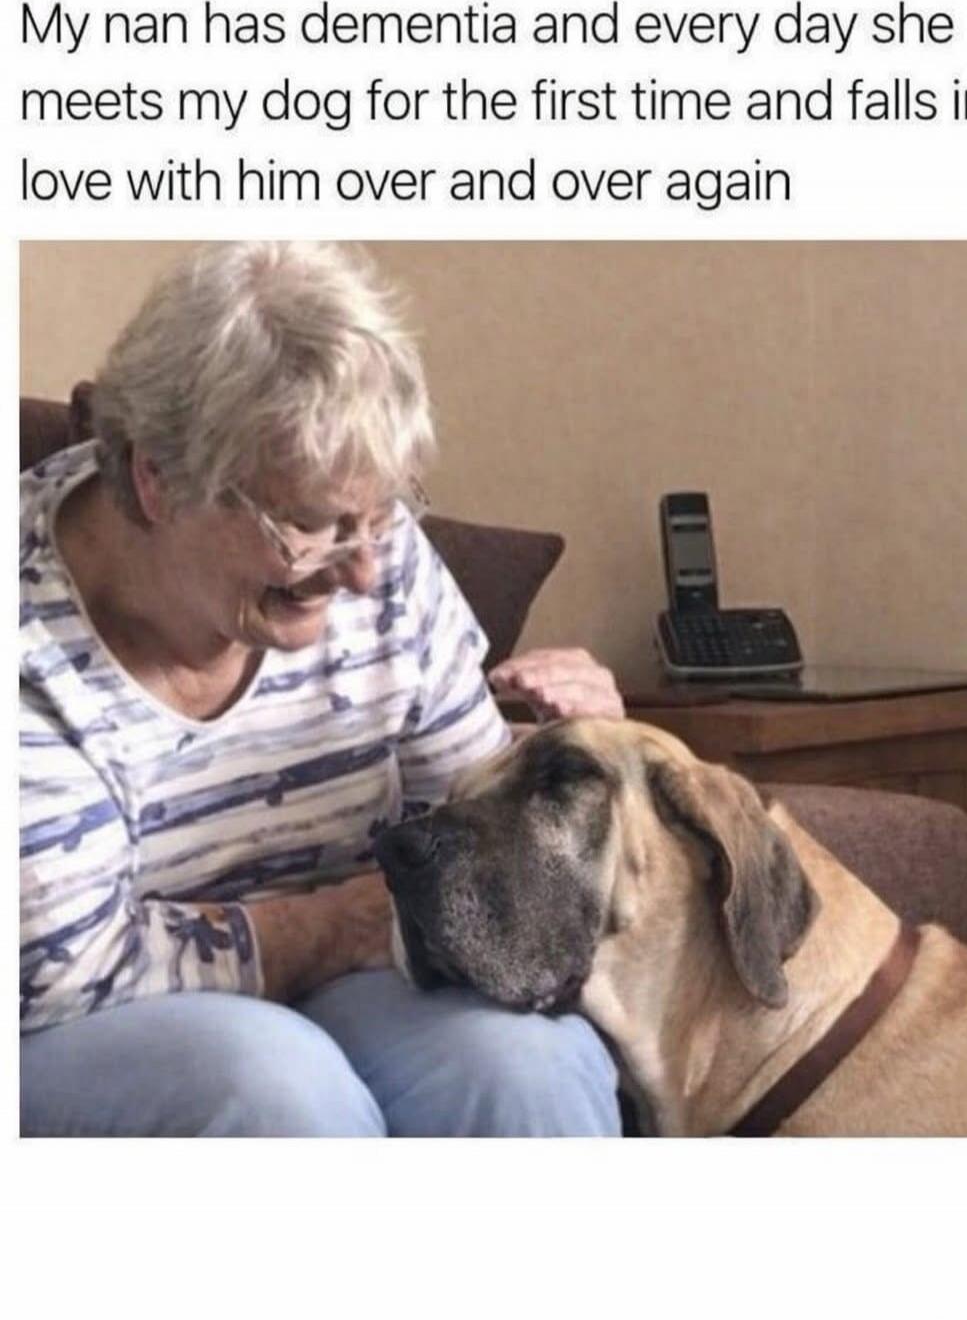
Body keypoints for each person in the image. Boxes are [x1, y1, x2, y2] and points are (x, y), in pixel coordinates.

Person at [19, 241, 625, 1137]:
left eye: (379, 516)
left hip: (335, 977)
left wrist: (587, 759)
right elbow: (64, 971)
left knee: (525, 1064)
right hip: (69, 1027)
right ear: (157, 479)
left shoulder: (380, 562)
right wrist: (340, 926)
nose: (364, 572)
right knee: (278, 1088)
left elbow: (471, 822)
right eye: (307, 526)